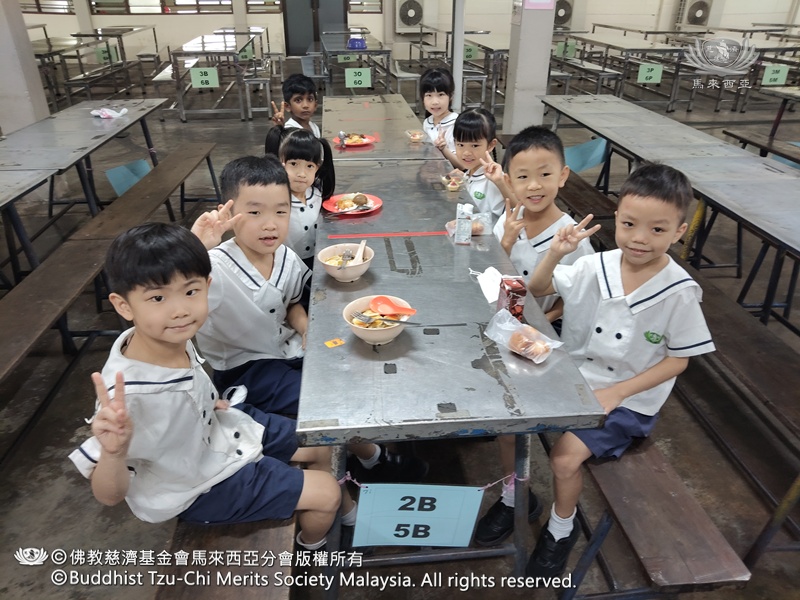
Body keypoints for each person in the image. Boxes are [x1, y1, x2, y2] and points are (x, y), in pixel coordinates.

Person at [68, 223, 346, 552]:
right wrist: (114, 453)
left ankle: (339, 512)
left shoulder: (163, 336)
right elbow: (108, 495)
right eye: (157, 297)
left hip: (220, 429)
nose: (180, 310)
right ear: (123, 305)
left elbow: (180, 390)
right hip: (197, 486)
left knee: (320, 444)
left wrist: (204, 401)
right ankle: (312, 552)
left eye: (191, 291)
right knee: (327, 493)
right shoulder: (128, 398)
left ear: (207, 287)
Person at [525, 163, 715, 579]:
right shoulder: (598, 266)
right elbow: (537, 289)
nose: (640, 238)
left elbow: (679, 360)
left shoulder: (678, 291)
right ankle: (512, 500)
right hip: (575, 379)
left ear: (680, 232)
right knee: (511, 417)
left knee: (563, 459)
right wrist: (555, 252)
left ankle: (560, 529)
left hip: (629, 400)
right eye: (629, 224)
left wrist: (619, 393)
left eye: (657, 229)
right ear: (618, 218)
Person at [191, 155, 428, 483]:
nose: (270, 224)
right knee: (327, 397)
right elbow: (176, 306)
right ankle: (371, 458)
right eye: (255, 212)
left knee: (350, 370)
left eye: (281, 211)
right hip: (246, 371)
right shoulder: (211, 269)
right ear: (228, 212)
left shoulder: (284, 256)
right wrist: (195, 250)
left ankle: (365, 449)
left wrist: (306, 330)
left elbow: (290, 304)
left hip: (287, 352)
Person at [472, 126, 595, 548]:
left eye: (545, 174)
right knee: (500, 419)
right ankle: (514, 492)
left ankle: (515, 499)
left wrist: (539, 323)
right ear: (510, 178)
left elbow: (574, 309)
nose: (534, 185)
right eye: (523, 177)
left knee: (511, 423)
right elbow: (491, 275)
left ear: (563, 175)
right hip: (511, 331)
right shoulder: (512, 219)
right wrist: (504, 241)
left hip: (549, 346)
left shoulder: (573, 240)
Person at [265, 127, 335, 271]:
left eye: (309, 166)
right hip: (286, 266)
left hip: (318, 260)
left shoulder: (317, 195)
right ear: (281, 164)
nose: (302, 174)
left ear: (317, 168)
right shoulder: (275, 200)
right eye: (294, 164)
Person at [452, 108, 509, 218]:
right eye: (460, 145)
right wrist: (464, 179)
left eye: (474, 145)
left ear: (491, 145)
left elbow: (517, 209)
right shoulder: (471, 171)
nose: (466, 153)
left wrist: (500, 183)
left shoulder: (494, 179)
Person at [420, 67, 461, 168]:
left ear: (451, 96)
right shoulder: (427, 123)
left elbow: (462, 166)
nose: (435, 102)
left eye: (440, 94)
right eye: (429, 95)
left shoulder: (457, 124)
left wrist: (443, 149)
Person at [269, 73, 321, 139]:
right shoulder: (289, 132)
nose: (305, 105)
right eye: (298, 100)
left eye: (310, 99)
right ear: (287, 106)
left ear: (315, 105)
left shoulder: (314, 128)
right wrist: (279, 128)